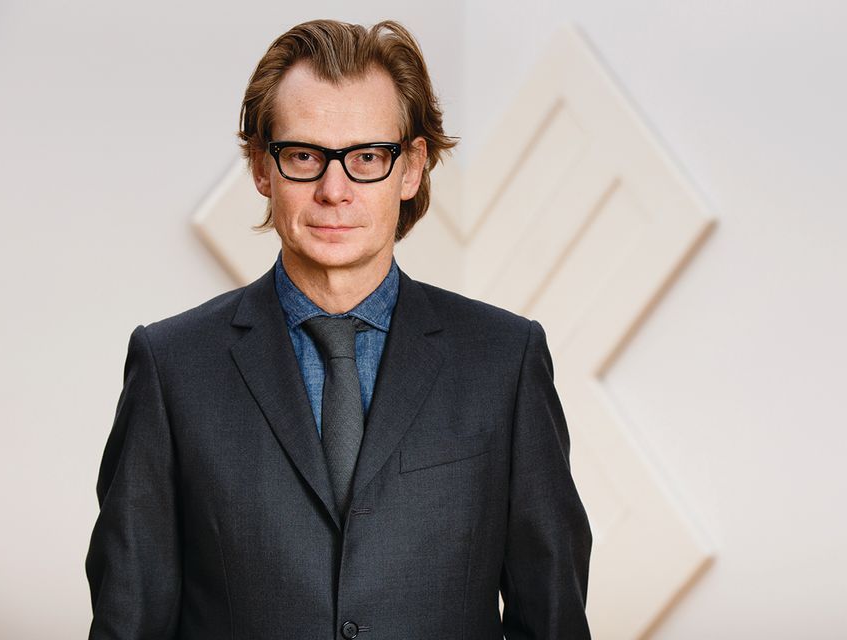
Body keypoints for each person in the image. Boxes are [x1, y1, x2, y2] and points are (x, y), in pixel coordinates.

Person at [86, 19, 591, 640]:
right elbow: (128, 620)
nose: (334, 189)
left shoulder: (505, 362)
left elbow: (554, 620)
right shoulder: (171, 368)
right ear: (262, 168)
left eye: (366, 157)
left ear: (411, 169)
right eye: (304, 156)